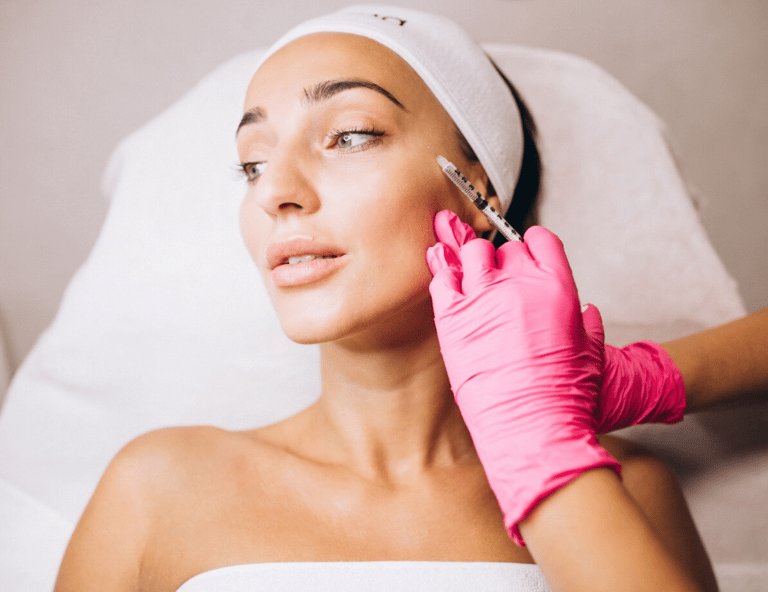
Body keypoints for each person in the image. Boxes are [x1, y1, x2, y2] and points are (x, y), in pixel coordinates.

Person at [55, 6, 720, 592]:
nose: (273, 191)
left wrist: (545, 448)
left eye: (350, 135)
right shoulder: (155, 487)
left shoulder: (626, 489)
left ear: (477, 192)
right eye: (253, 164)